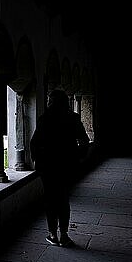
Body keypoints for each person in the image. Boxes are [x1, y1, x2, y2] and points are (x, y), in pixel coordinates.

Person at [30, 89, 90, 247]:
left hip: (48, 166)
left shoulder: (45, 119)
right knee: (63, 198)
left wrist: (36, 160)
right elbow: (84, 141)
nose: (48, 102)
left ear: (52, 102)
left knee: (50, 199)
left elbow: (34, 143)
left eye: (50, 100)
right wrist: (78, 157)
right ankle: (64, 234)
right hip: (67, 165)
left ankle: (52, 234)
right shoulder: (74, 118)